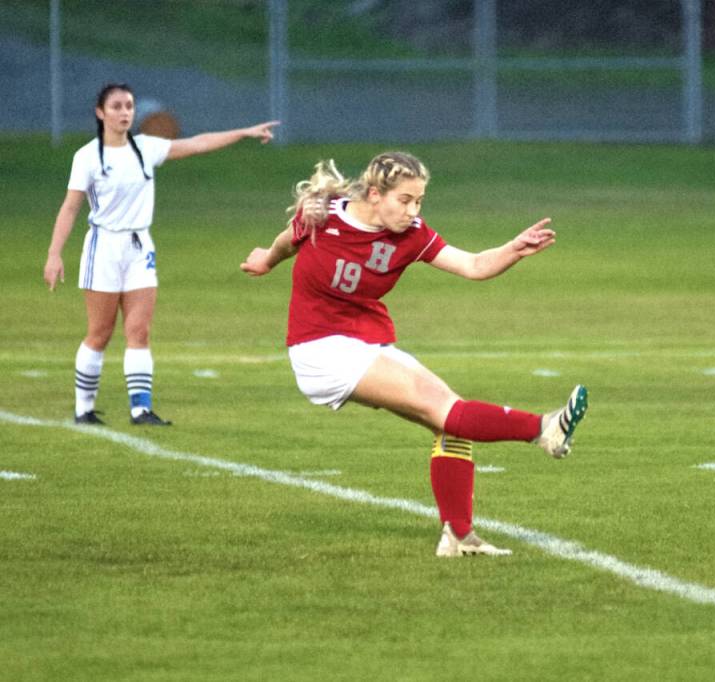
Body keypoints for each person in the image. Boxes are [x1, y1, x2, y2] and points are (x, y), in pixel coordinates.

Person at [240, 152, 589, 557]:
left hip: (366, 343)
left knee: (450, 420)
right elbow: (288, 241)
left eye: (419, 201)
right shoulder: (323, 216)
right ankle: (543, 428)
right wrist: (266, 259)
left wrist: (513, 249)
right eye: (404, 200)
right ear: (374, 194)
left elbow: (473, 265)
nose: (413, 211)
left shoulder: (412, 234)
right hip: (320, 348)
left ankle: (458, 537)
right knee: (443, 406)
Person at [44, 83, 279, 425]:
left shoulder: (145, 148)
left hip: (140, 247)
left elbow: (197, 144)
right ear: (100, 113)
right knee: (101, 331)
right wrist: (54, 254)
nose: (125, 112)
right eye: (117, 106)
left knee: (139, 330)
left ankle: (141, 409)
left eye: (129, 106)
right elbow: (70, 208)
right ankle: (84, 408)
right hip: (104, 247)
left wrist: (243, 132)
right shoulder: (88, 157)